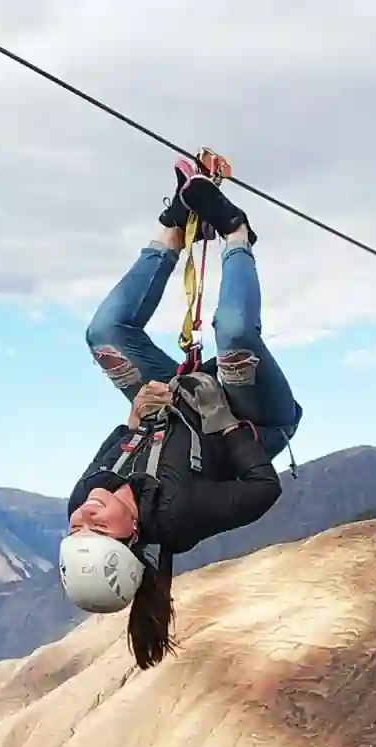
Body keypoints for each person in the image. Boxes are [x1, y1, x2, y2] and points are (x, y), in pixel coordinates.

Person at [59, 160, 303, 670]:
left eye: (78, 529)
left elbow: (117, 448)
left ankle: (175, 223)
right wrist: (224, 421)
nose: (86, 515)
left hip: (177, 401)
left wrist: (135, 418)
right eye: (98, 529)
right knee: (233, 335)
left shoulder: (84, 500)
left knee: (104, 336)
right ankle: (236, 234)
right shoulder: (178, 515)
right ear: (133, 538)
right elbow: (263, 487)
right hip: (255, 417)